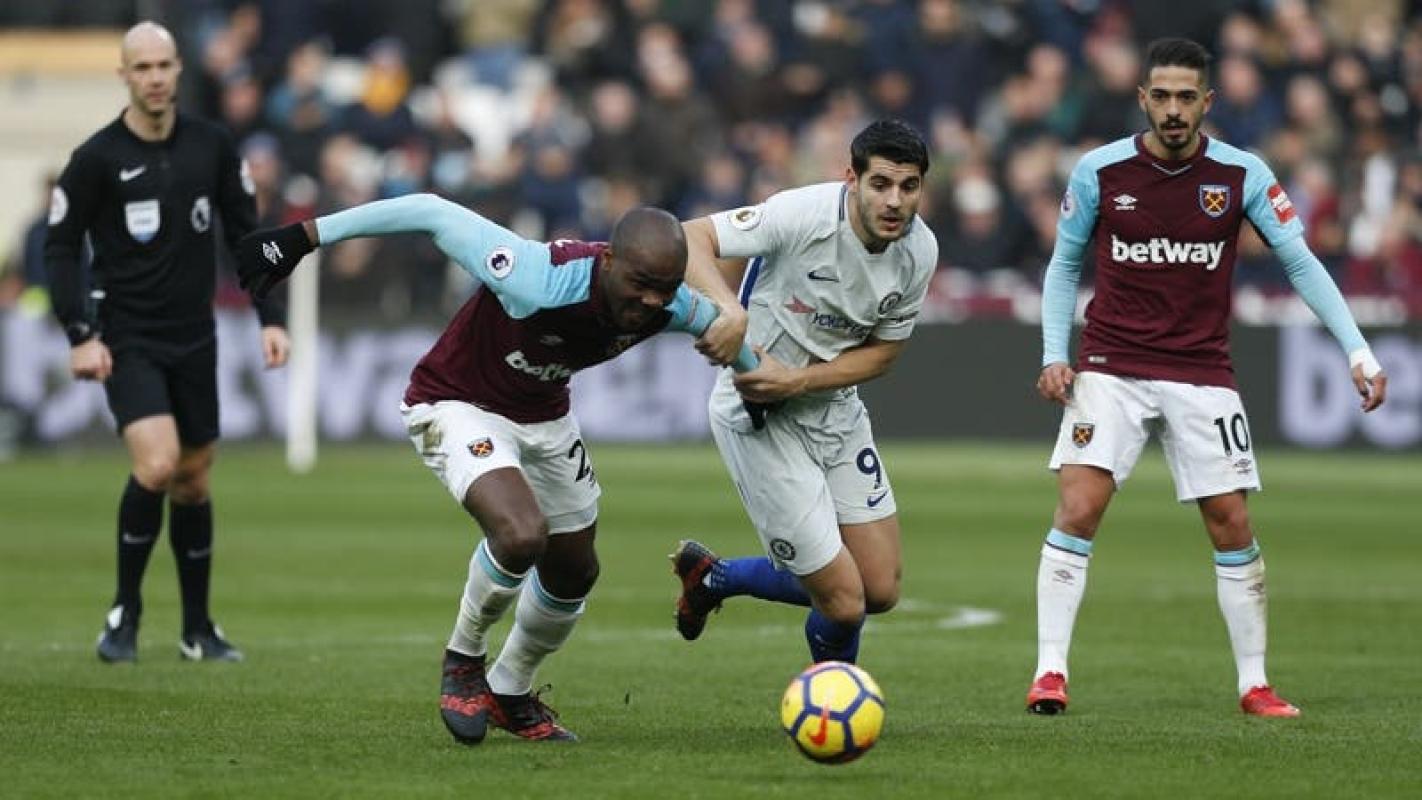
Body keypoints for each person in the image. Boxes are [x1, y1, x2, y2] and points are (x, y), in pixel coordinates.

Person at [236, 194, 753, 743]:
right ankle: (464, 659)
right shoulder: (535, 277)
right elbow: (431, 212)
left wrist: (760, 387)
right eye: (641, 283)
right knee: (521, 533)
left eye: (665, 288)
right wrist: (302, 237)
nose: (651, 301)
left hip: (546, 416)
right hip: (456, 402)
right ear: (608, 261)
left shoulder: (673, 306)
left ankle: (509, 690)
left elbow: (735, 343)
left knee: (575, 570)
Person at [1027, 38, 1388, 718]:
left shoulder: (1242, 174)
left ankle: (1254, 684)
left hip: (1201, 368)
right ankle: (1050, 673)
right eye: (1161, 96)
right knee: (1078, 507)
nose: (1173, 109)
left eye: (1186, 98)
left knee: (1230, 521)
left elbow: (1301, 262)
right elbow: (1064, 264)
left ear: (1207, 102)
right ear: (1143, 98)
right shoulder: (1099, 171)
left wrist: (1357, 350)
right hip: (1110, 364)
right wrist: (1054, 353)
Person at [44, 22, 290, 664]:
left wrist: (270, 317)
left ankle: (197, 630)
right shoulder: (97, 157)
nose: (154, 77)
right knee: (157, 465)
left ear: (179, 69)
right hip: (128, 336)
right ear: (124, 76)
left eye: (163, 65)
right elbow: (60, 247)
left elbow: (246, 234)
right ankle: (124, 614)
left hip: (195, 337)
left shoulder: (212, 145)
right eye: (142, 67)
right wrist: (80, 332)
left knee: (193, 480)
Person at [668, 118, 938, 666]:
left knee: (879, 589)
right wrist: (729, 311)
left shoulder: (920, 250)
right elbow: (689, 237)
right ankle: (831, 696)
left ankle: (715, 578)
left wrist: (799, 380)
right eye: (880, 184)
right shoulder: (802, 214)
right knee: (844, 602)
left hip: (833, 409)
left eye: (908, 186)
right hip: (758, 417)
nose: (894, 201)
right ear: (851, 180)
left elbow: (883, 354)